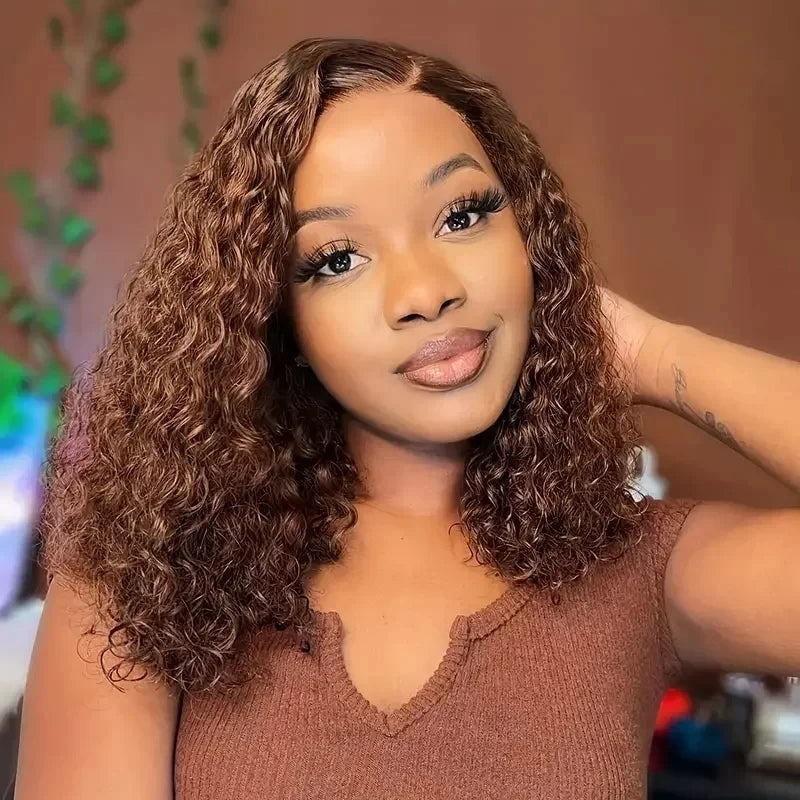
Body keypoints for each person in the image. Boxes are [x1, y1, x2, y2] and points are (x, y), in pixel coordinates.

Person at [13, 37, 800, 800]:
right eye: (337, 259)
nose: (425, 291)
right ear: (272, 314)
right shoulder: (148, 574)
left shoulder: (638, 565)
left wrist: (653, 352)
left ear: (528, 237)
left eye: (461, 216)